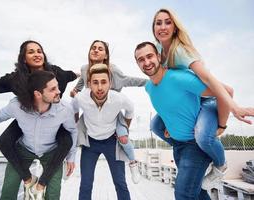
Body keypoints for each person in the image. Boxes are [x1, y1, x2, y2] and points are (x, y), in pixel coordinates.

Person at [0, 40, 78, 199]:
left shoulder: (57, 74)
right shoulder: (16, 81)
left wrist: (89, 70)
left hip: (54, 118)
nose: (37, 54)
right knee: (5, 140)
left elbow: (73, 74)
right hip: (27, 115)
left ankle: (42, 184)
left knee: (66, 140)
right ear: (23, 58)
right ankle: (28, 179)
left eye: (39, 51)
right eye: (31, 52)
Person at [151, 8, 254, 190]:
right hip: (187, 100)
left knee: (203, 136)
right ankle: (183, 146)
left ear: (175, 27)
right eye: (158, 23)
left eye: (168, 22)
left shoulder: (181, 51)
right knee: (156, 126)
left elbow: (209, 80)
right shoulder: (158, 50)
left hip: (207, 99)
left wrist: (225, 121)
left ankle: (219, 165)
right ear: (153, 28)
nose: (163, 27)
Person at [134, 41, 231, 199]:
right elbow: (168, 104)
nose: (146, 62)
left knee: (184, 194)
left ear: (158, 56)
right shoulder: (149, 87)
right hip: (178, 146)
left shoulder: (178, 78)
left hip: (195, 145)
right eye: (141, 59)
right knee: (197, 192)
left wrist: (221, 125)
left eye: (150, 56)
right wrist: (168, 121)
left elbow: (224, 92)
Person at [70, 40, 146, 183]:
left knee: (123, 136)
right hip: (91, 110)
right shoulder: (85, 69)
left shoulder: (113, 70)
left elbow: (128, 80)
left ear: (106, 55)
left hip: (112, 111)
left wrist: (149, 82)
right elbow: (81, 84)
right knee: (73, 133)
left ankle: (133, 162)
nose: (96, 50)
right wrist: (75, 91)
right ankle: (69, 164)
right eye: (93, 48)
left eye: (100, 49)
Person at [73, 63, 133, 200]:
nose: (100, 87)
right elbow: (74, 108)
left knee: (120, 182)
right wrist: (77, 123)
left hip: (111, 142)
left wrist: (125, 128)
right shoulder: (81, 98)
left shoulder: (119, 98)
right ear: (89, 84)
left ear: (110, 83)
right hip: (90, 144)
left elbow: (131, 110)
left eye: (103, 82)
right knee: (86, 184)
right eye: (95, 82)